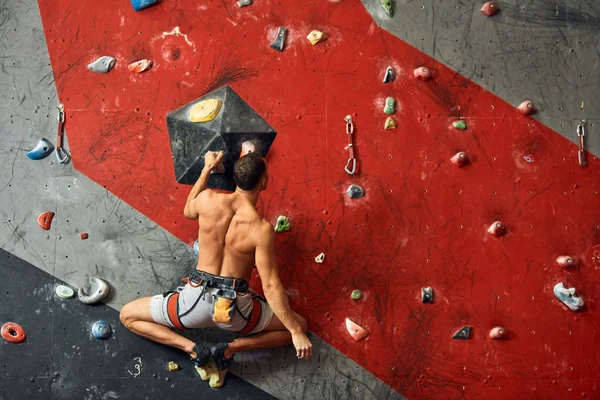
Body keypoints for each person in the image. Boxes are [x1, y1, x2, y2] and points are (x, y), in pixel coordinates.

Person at [120, 150, 312, 380]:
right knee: (299, 325)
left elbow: (188, 208)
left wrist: (207, 168)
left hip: (191, 303)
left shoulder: (208, 199)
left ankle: (191, 348)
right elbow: (270, 286)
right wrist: (295, 331)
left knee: (128, 315)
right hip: (235, 311)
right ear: (264, 181)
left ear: (234, 177)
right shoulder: (261, 229)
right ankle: (232, 348)